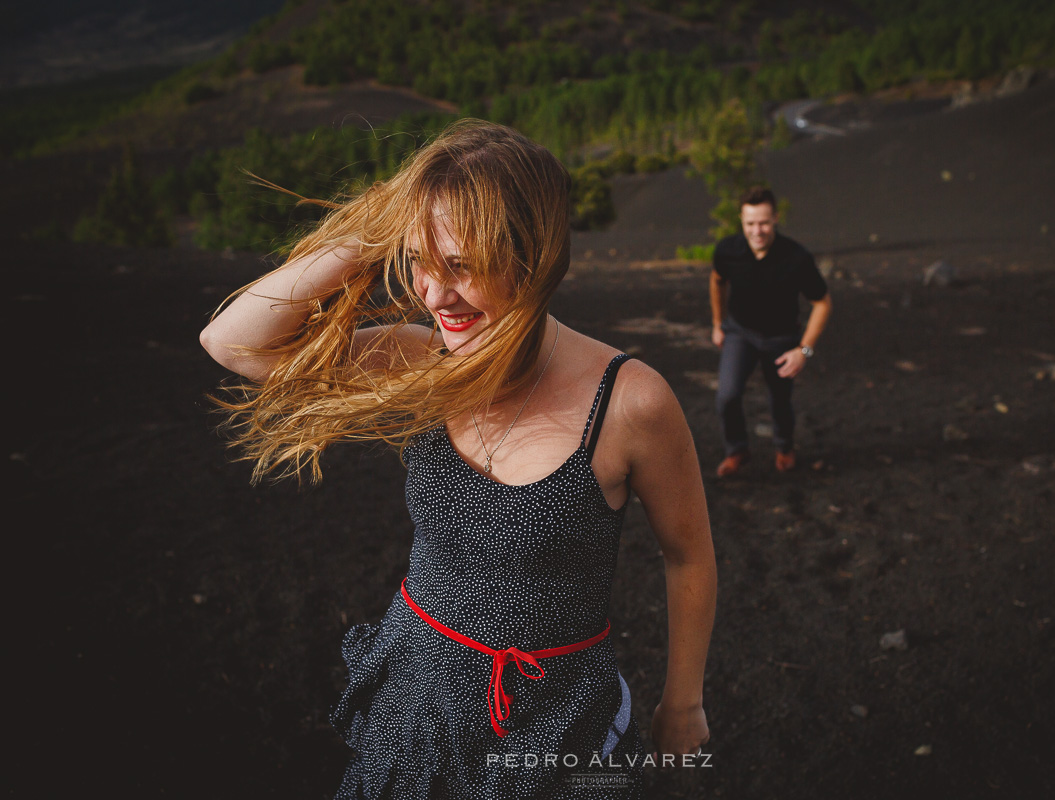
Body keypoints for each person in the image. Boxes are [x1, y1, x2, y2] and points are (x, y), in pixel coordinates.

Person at [199, 120, 715, 799]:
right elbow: (233, 344)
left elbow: (689, 555)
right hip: (417, 697)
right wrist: (374, 229)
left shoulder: (629, 402)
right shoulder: (420, 362)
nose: (434, 295)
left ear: (530, 255)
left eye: (461, 266)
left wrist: (682, 705)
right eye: (418, 262)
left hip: (554, 725)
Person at [709, 186, 832, 478]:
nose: (757, 230)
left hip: (782, 338)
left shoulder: (796, 257)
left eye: (764, 222)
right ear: (741, 220)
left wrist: (804, 350)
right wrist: (717, 323)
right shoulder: (728, 250)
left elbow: (823, 303)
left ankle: (784, 448)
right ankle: (737, 449)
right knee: (726, 395)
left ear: (776, 218)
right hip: (740, 332)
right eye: (750, 223)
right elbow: (717, 281)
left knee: (780, 399)